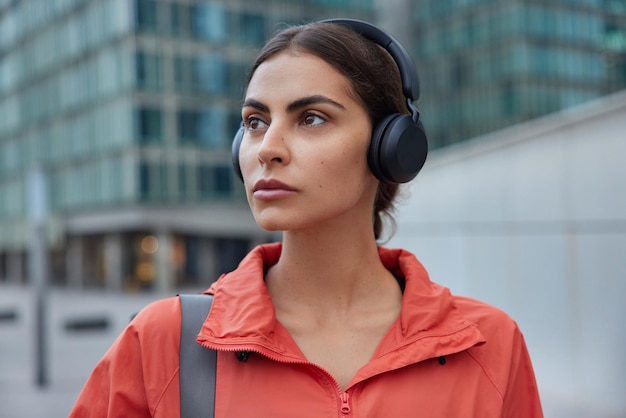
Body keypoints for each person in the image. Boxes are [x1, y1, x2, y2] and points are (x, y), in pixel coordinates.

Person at [70, 19, 543, 417]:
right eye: (255, 122)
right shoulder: (165, 342)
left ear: (391, 148)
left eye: (311, 118)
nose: (267, 149)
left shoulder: (489, 346)